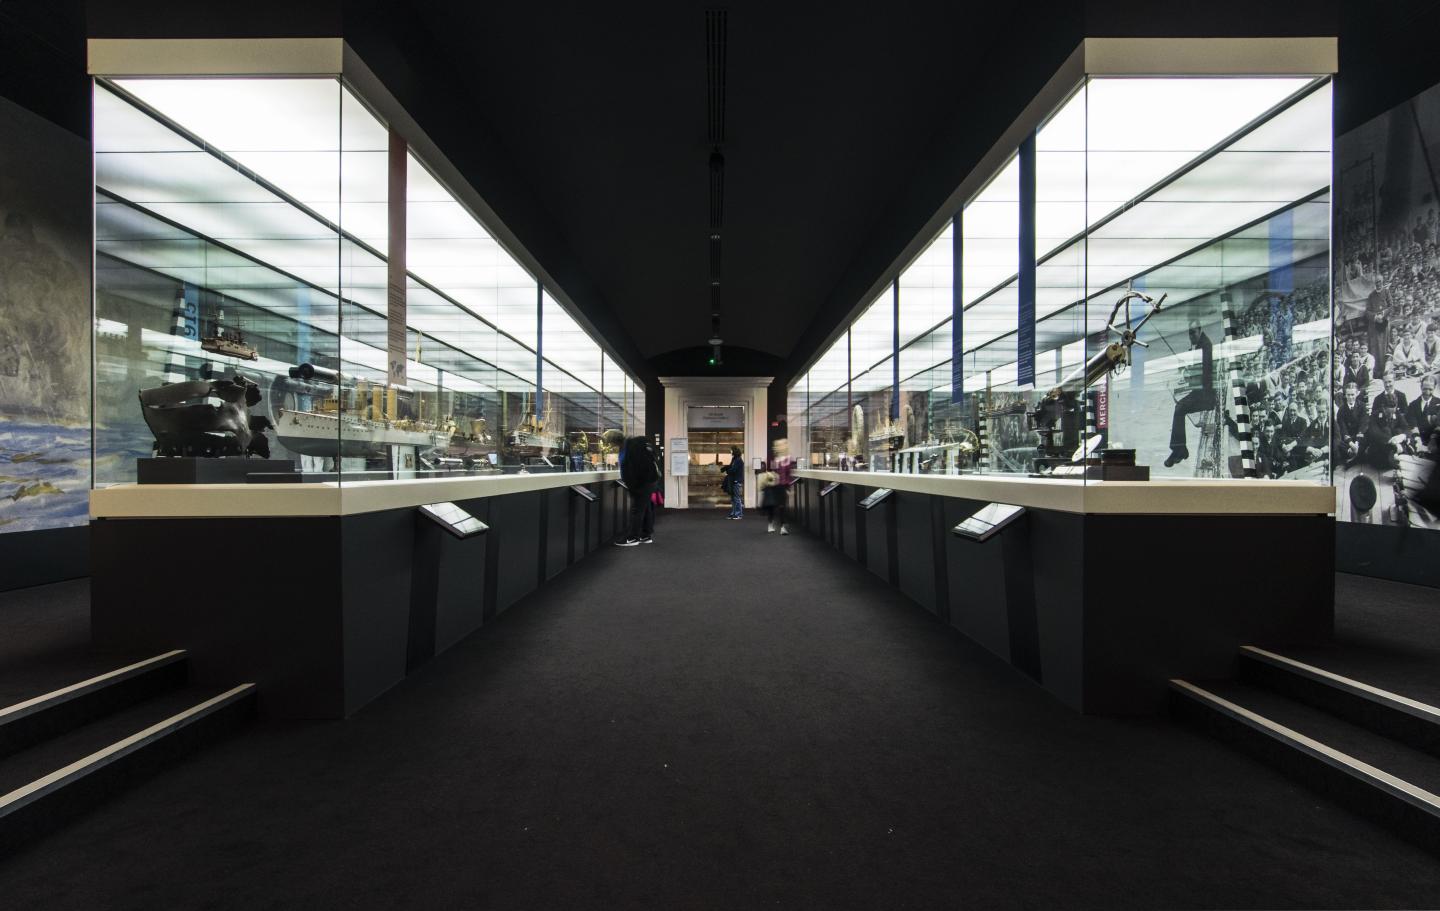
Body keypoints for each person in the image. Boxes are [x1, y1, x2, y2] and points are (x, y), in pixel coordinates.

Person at [1165, 319, 1216, 468]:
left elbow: (1205, 376)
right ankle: (1180, 448)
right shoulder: (1200, 344)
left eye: (1193, 332)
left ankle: (1179, 450)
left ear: (1199, 330)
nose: (1191, 336)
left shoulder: (1205, 347)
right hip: (1201, 391)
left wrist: (1188, 374)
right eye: (1189, 333)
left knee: (1179, 408)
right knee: (1180, 406)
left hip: (1206, 396)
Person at [615, 434, 660, 546]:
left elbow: (628, 467)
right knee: (646, 508)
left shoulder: (630, 448)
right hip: (650, 480)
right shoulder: (639, 444)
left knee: (638, 510)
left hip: (642, 483)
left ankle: (632, 538)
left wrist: (633, 485)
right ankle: (646, 535)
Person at [759, 439, 795, 535]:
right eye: (778, 445)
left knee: (782, 507)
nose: (780, 446)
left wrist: (789, 488)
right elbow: (768, 470)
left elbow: (789, 474)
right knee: (771, 506)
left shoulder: (788, 458)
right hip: (771, 485)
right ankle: (770, 523)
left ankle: (783, 527)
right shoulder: (772, 457)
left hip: (782, 485)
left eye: (782, 444)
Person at [722, 445, 745, 519]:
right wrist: (725, 468)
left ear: (734, 451)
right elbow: (731, 466)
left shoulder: (738, 460)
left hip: (736, 481)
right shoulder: (734, 459)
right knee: (733, 498)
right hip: (733, 480)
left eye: (731, 450)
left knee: (737, 498)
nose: (730, 451)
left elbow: (734, 469)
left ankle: (739, 514)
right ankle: (734, 513)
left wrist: (727, 472)